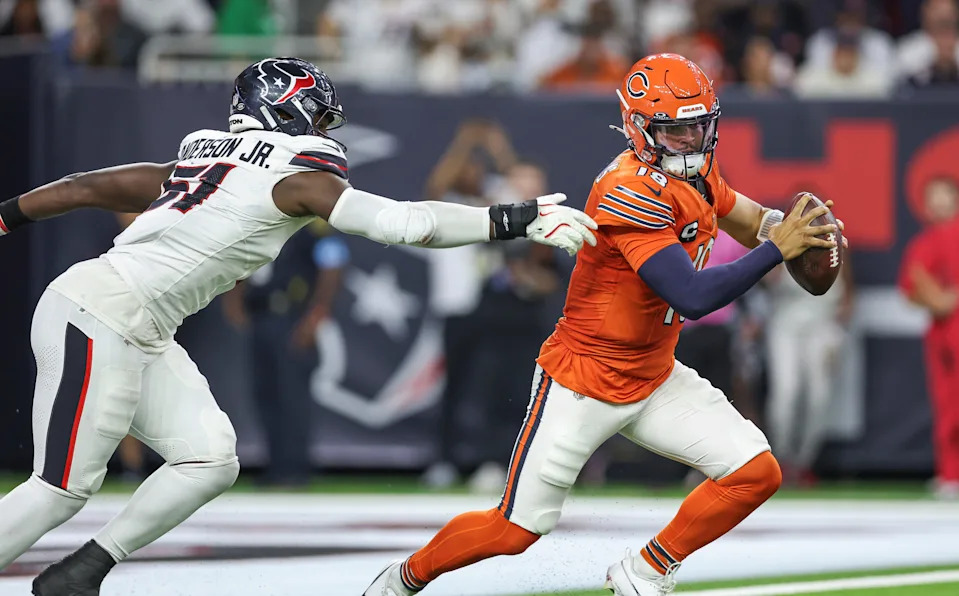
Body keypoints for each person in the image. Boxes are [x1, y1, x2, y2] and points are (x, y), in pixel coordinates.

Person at [0, 57, 598, 595]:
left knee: (209, 459)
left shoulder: (203, 155)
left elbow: (91, 187)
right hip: (99, 312)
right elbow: (407, 224)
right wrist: (512, 218)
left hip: (138, 324)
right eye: (317, 117)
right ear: (284, 110)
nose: (323, 132)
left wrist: (7, 216)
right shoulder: (295, 175)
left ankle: (81, 573)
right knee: (61, 488)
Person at [364, 53, 847, 596]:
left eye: (698, 125)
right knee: (516, 528)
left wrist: (790, 227)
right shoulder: (627, 189)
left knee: (755, 472)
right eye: (675, 128)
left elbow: (750, 217)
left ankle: (644, 570)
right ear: (640, 128)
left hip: (654, 372)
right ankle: (402, 579)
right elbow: (691, 296)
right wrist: (776, 252)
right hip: (584, 381)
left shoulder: (698, 169)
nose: (689, 139)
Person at [222, 221, 348, 488]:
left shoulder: (312, 226)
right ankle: (276, 466)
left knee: (292, 395)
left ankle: (296, 468)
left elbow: (333, 265)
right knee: (266, 393)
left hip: (293, 317)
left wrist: (316, 315)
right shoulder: (258, 224)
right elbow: (239, 265)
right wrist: (234, 299)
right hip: (261, 314)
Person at [898, 177, 959, 500]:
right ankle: (950, 473)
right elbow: (911, 289)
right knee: (948, 404)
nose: (937, 203)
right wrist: (936, 300)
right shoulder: (923, 244)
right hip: (942, 332)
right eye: (931, 197)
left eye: (943, 196)